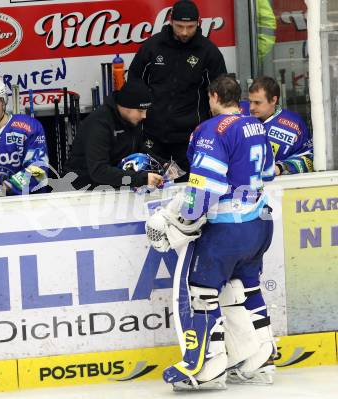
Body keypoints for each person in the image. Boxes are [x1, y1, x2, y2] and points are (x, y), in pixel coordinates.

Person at [145, 75, 276, 390]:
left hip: (228, 229)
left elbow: (209, 187)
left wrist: (179, 216)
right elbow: (269, 171)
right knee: (245, 287)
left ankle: (207, 366)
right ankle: (258, 357)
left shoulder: (210, 129)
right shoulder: (255, 125)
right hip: (259, 224)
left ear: (213, 96)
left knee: (202, 291)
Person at [127, 0, 227, 176]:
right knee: (151, 187)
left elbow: (221, 95)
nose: (185, 32)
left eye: (190, 26)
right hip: (153, 133)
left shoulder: (209, 52)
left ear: (199, 23)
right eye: (180, 26)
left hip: (191, 136)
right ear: (171, 21)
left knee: (190, 186)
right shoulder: (152, 47)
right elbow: (134, 86)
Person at [63, 79, 164, 190]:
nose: (144, 116)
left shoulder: (131, 119)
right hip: (81, 191)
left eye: (145, 110)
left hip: (111, 188)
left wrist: (163, 165)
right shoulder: (99, 123)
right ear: (125, 106)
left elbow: (140, 149)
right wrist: (143, 179)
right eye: (140, 111)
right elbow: (99, 171)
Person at [244, 76, 313, 175]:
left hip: (279, 185)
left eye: (257, 103)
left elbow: (309, 158)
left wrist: (280, 168)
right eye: (250, 101)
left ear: (273, 100)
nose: (251, 107)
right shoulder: (239, 113)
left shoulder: (294, 124)